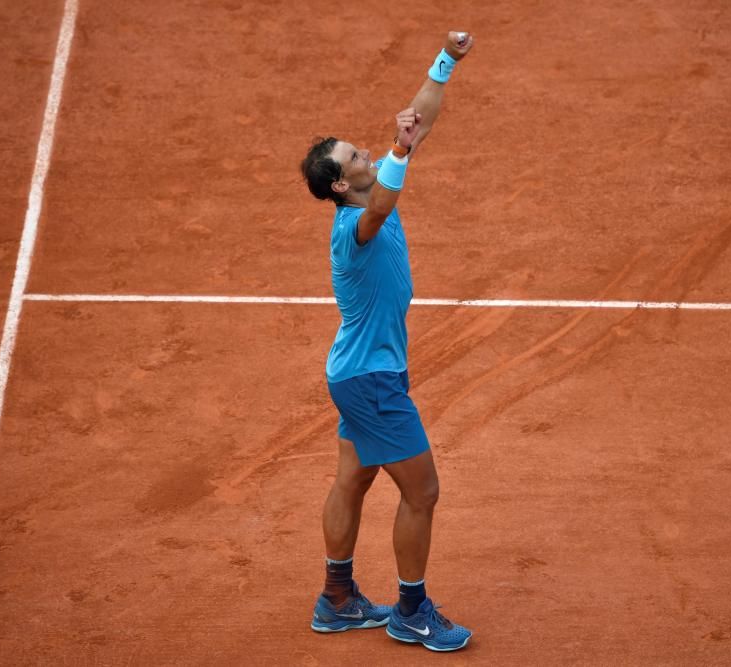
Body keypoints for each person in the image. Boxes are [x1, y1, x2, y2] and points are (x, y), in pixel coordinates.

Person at [299, 30, 475, 652]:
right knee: (422, 491)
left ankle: (338, 598)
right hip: (370, 380)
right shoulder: (357, 224)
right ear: (342, 186)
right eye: (355, 158)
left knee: (354, 479)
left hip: (361, 374)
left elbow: (418, 118)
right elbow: (387, 195)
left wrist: (445, 61)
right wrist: (400, 152)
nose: (366, 154)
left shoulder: (371, 193)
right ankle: (410, 609)